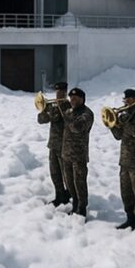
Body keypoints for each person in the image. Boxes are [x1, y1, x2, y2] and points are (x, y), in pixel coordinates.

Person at [110, 89, 135, 231]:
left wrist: (127, 124)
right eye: (125, 99)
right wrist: (112, 124)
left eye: (129, 99)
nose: (126, 101)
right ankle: (130, 217)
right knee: (126, 191)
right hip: (125, 161)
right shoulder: (126, 115)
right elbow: (119, 136)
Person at [61, 87, 94, 219]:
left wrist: (67, 116)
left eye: (75, 98)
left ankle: (81, 208)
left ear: (82, 99)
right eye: (71, 98)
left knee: (79, 183)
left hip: (79, 155)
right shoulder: (69, 111)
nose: (72, 100)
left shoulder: (87, 114)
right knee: (69, 182)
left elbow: (77, 127)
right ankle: (75, 204)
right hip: (67, 153)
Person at [37, 81, 71, 206]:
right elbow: (41, 120)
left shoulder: (69, 106)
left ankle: (71, 195)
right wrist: (44, 110)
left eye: (61, 92)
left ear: (65, 92)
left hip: (65, 145)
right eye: (57, 91)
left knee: (67, 174)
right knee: (55, 173)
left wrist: (60, 107)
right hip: (53, 144)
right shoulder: (53, 106)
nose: (58, 94)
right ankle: (59, 196)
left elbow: (69, 120)